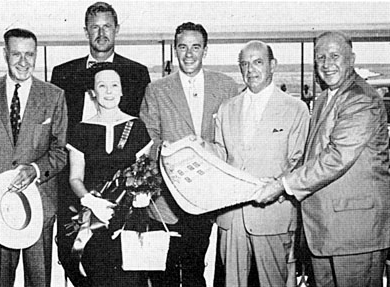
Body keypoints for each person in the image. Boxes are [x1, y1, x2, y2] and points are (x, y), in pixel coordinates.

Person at [252, 31, 390, 287]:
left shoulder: (362, 98)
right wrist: (284, 183)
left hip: (355, 234)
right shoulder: (325, 98)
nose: (327, 64)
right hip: (324, 231)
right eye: (320, 58)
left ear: (352, 59)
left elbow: (336, 157)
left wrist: (283, 184)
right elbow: (312, 155)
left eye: (334, 56)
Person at [50, 2, 150, 285]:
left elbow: (141, 144)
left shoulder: (137, 73)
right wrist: (85, 198)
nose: (101, 33)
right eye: (95, 27)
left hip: (124, 200)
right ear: (85, 31)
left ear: (116, 30)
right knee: (77, 265)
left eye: (107, 26)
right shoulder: (63, 74)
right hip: (76, 189)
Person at [140, 22, 238, 287]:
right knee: (165, 270)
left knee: (196, 267)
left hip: (207, 199)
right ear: (175, 49)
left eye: (196, 47)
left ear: (205, 50)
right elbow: (147, 142)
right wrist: (174, 151)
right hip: (167, 198)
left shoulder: (227, 87)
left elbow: (234, 139)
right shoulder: (157, 90)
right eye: (182, 47)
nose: (189, 54)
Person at [209, 41, 310, 286]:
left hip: (272, 215)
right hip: (231, 218)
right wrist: (199, 149)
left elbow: (300, 161)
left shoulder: (295, 109)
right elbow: (221, 154)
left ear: (273, 66)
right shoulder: (226, 108)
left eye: (258, 62)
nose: (250, 70)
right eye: (244, 64)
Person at [0, 28, 67, 287]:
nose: (23, 62)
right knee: (1, 280)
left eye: (29, 55)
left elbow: (60, 152)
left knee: (39, 281)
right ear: (5, 54)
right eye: (16, 54)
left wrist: (35, 170)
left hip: (40, 206)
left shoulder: (54, 95)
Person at [67, 62, 152, 287]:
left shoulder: (137, 128)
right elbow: (75, 178)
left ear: (122, 90)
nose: (108, 91)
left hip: (130, 221)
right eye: (102, 86)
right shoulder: (80, 130)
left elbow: (146, 175)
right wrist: (90, 200)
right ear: (92, 92)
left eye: (114, 85)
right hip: (93, 220)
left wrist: (144, 196)